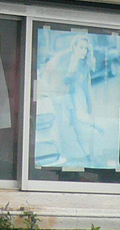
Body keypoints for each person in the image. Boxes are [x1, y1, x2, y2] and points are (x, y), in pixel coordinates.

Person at [41, 33, 104, 166]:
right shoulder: (63, 58)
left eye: (86, 48)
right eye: (81, 47)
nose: (83, 51)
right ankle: (60, 156)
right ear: (74, 46)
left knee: (77, 127)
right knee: (58, 126)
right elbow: (55, 75)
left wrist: (89, 105)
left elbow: (86, 86)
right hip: (58, 96)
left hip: (71, 97)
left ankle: (89, 156)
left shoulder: (85, 64)